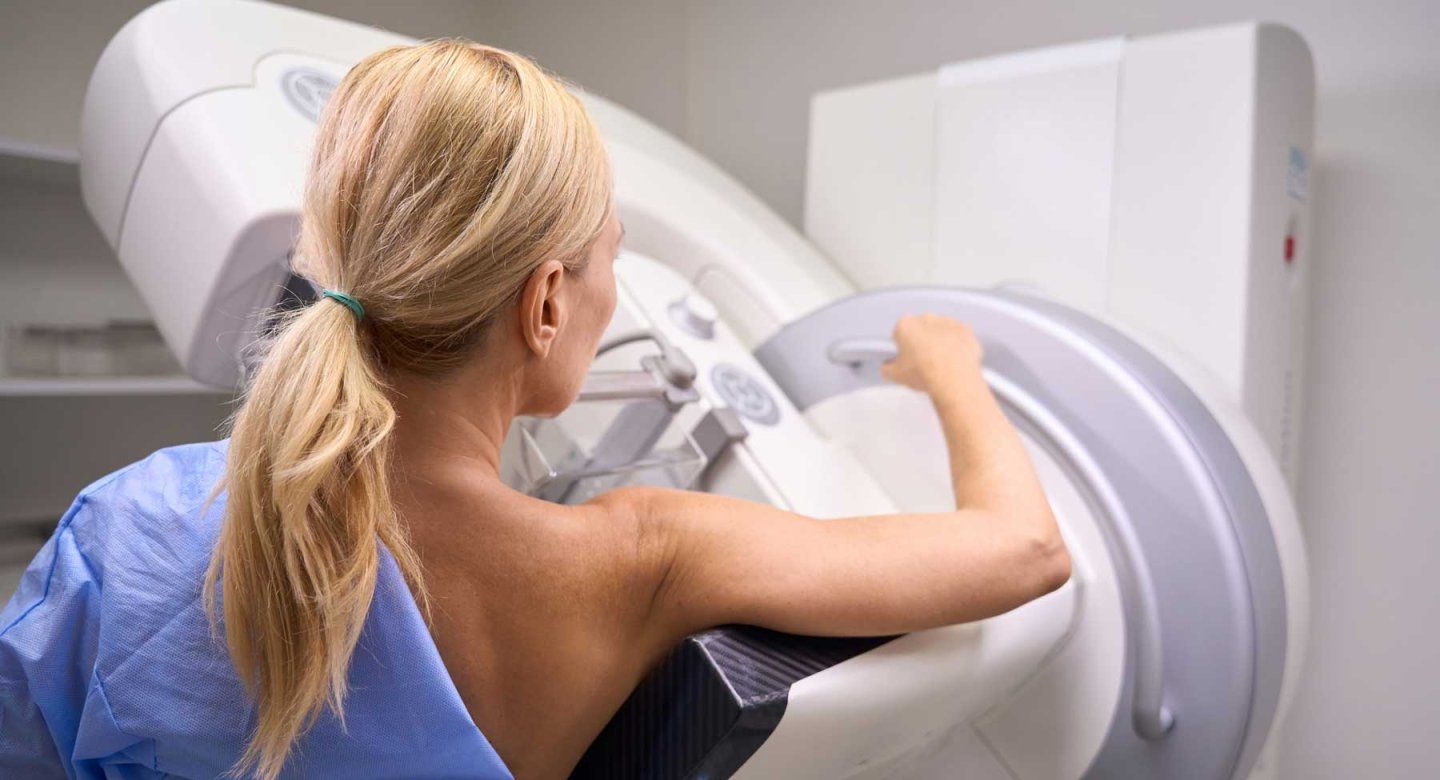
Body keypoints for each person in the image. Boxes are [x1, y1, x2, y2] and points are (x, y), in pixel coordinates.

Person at [0, 40, 1069, 780]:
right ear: (547, 303)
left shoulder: (129, 531)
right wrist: (950, 367)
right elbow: (1022, 551)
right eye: (609, 261)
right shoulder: (639, 562)